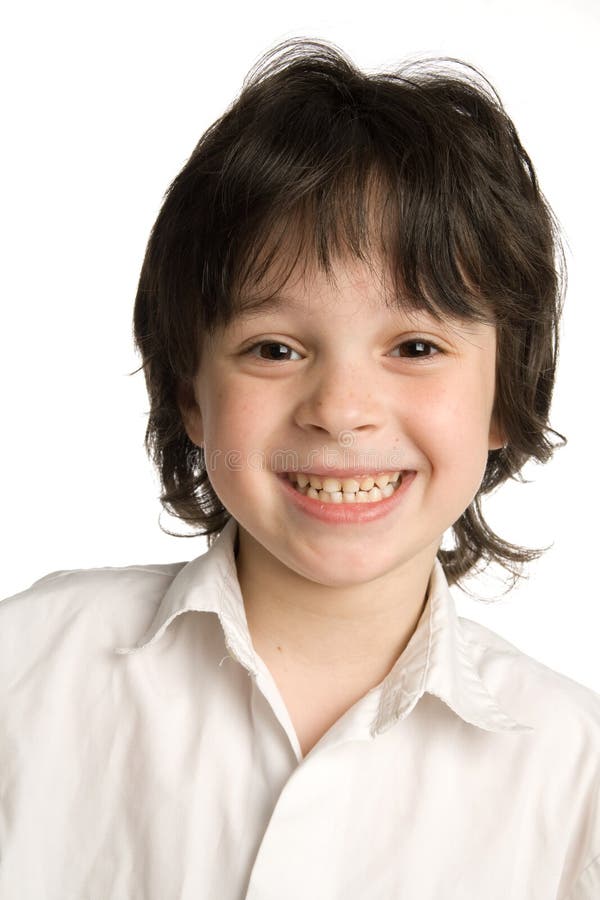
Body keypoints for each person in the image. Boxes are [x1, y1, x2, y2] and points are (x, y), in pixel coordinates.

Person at [1, 38, 598, 900]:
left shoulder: (574, 779)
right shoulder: (29, 671)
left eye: (417, 345)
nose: (341, 407)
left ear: (506, 396)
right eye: (275, 348)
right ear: (191, 394)